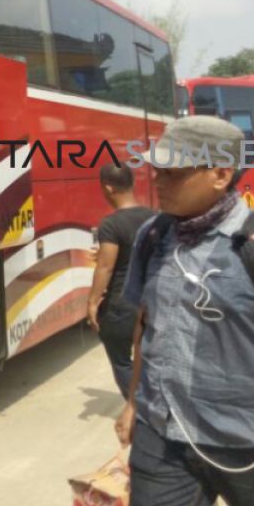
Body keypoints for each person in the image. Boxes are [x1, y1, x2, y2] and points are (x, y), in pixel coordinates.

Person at [115, 116, 254, 506]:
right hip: (163, 434)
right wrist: (135, 402)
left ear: (220, 174)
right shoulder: (152, 236)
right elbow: (146, 326)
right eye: (157, 170)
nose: (157, 181)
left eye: (172, 172)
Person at [86, 163, 152, 399]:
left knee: (121, 359)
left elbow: (106, 266)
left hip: (122, 305)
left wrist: (93, 302)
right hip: (152, 301)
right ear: (132, 184)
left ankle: (139, 407)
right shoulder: (153, 218)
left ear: (108, 188)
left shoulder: (111, 224)